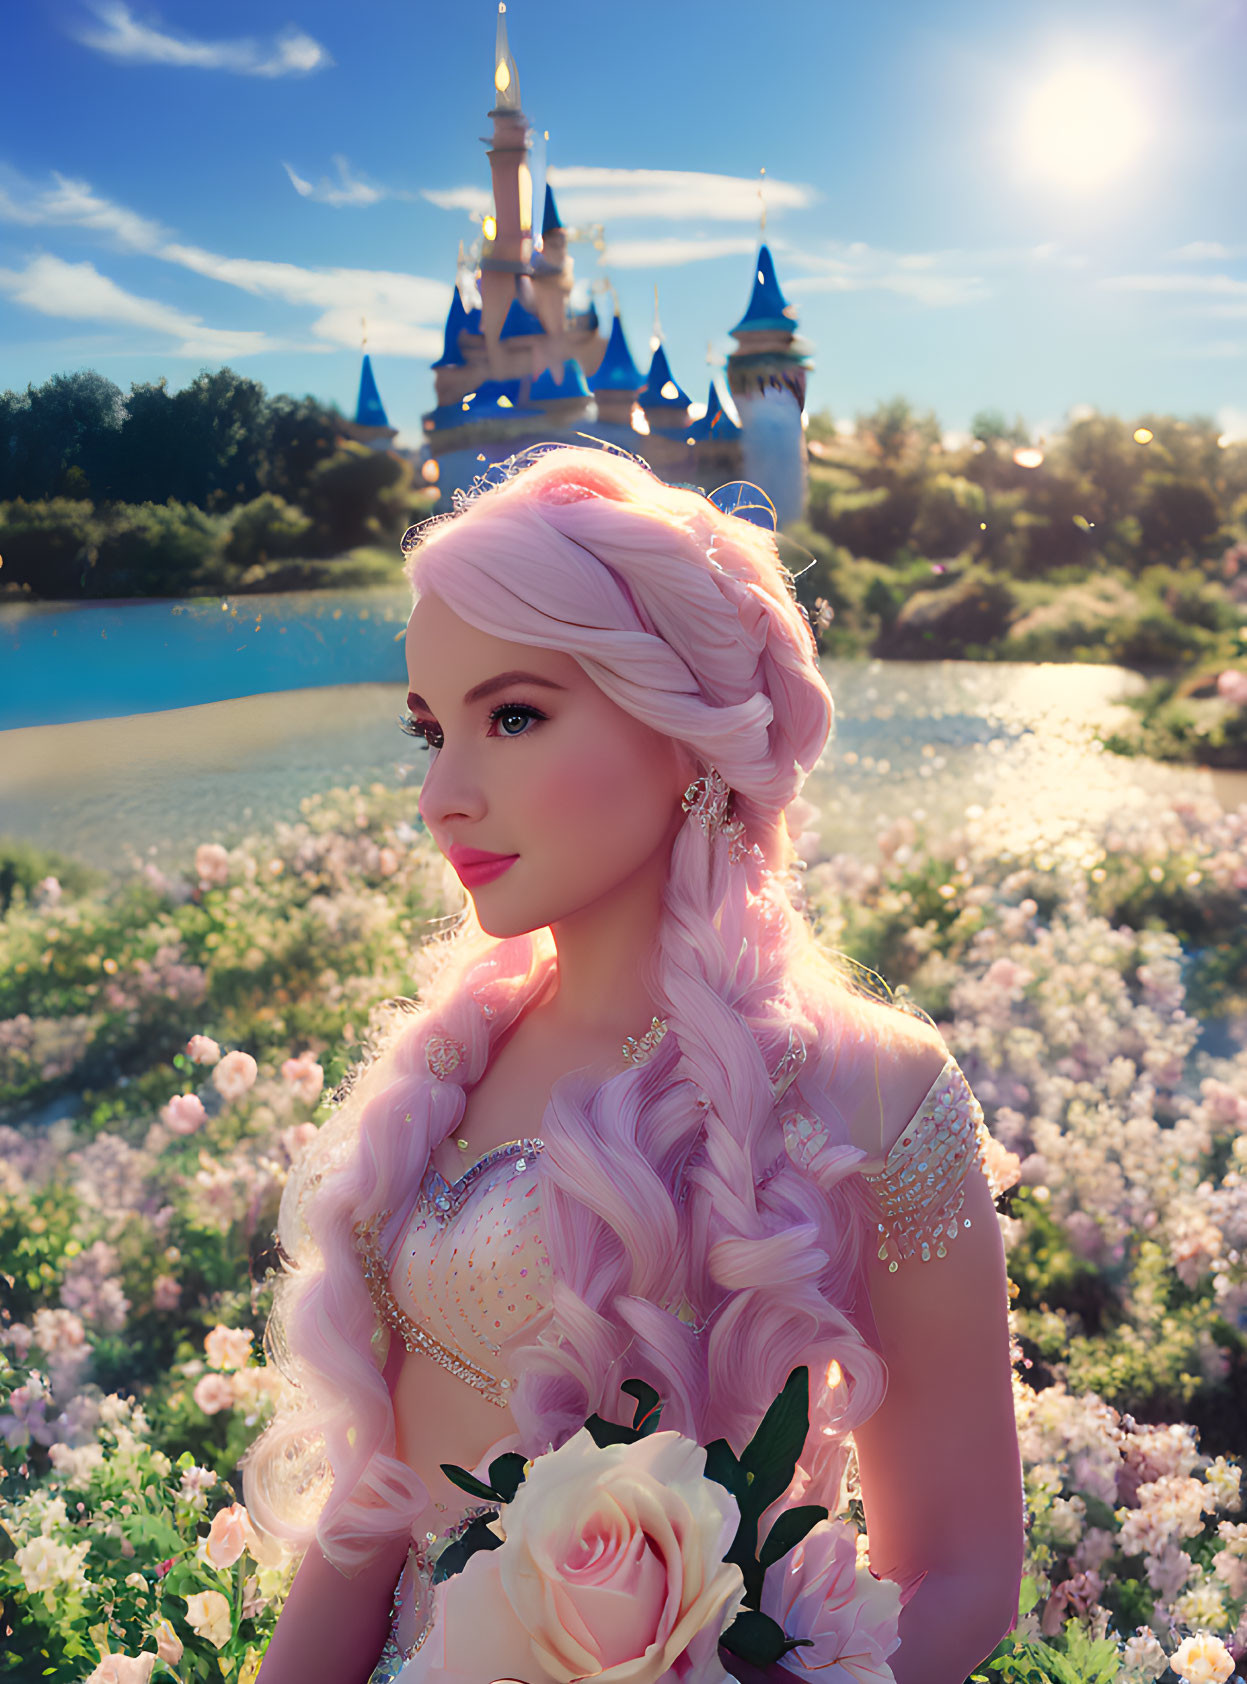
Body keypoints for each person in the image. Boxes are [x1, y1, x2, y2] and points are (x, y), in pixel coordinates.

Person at [244, 443, 1023, 1683]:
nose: (443, 792)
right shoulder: (439, 1068)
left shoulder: (868, 1094)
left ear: (685, 729)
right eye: (427, 730)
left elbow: (965, 1571)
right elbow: (366, 1521)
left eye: (511, 717)